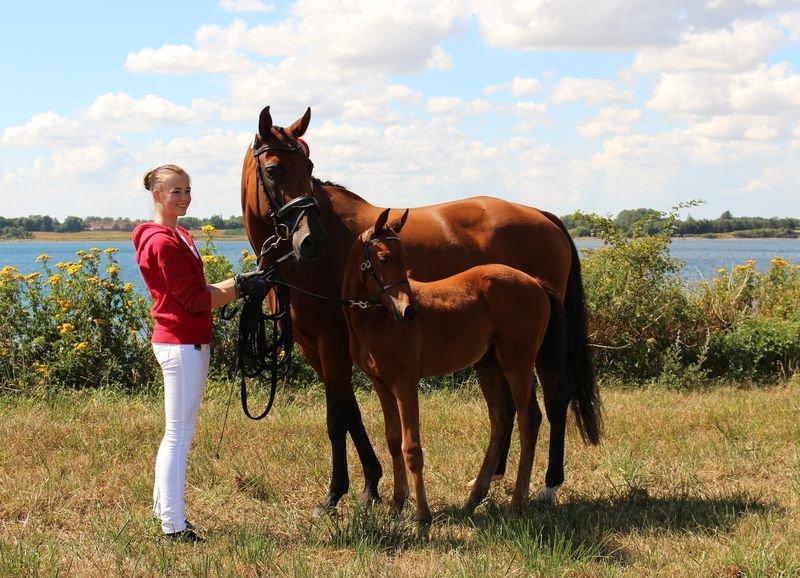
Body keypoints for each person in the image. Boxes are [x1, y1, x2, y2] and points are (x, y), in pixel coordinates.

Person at [132, 164, 266, 543]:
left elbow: (201, 288)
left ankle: (163, 509)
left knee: (176, 433)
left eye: (187, 190)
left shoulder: (179, 235)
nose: (184, 197)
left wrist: (239, 281)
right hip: (181, 344)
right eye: (176, 191)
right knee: (178, 435)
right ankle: (173, 526)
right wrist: (240, 290)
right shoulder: (162, 242)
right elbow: (193, 301)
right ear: (157, 195)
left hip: (184, 342)